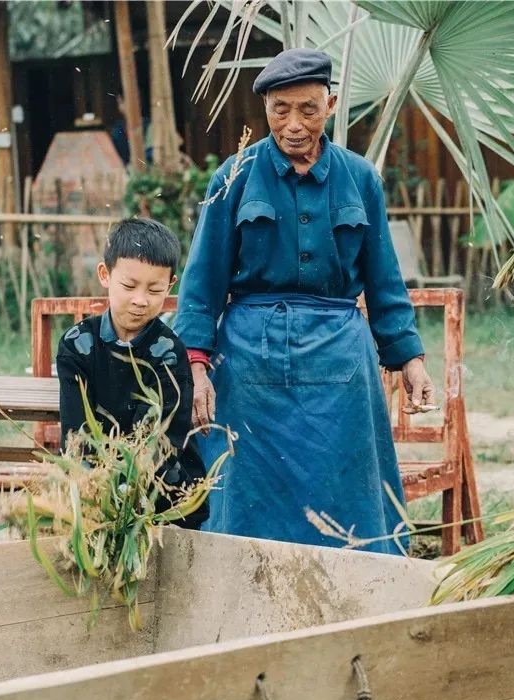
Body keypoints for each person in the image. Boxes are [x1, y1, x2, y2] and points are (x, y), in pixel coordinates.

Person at [174, 48, 436, 555]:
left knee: (349, 488)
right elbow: (202, 280)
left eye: (307, 110)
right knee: (246, 490)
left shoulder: (361, 179)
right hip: (249, 363)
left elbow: (385, 281)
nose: (293, 124)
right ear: (266, 108)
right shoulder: (233, 176)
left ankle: (360, 594)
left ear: (331, 104)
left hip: (341, 361)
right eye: (280, 110)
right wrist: (196, 366)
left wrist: (412, 361)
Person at [56, 218, 208, 529]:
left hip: (162, 485)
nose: (140, 300)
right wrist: (93, 490)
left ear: (170, 284)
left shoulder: (168, 351)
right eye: (128, 286)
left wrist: (126, 493)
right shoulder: (78, 345)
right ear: (104, 275)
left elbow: (158, 441)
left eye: (154, 290)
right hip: (93, 480)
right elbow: (76, 433)